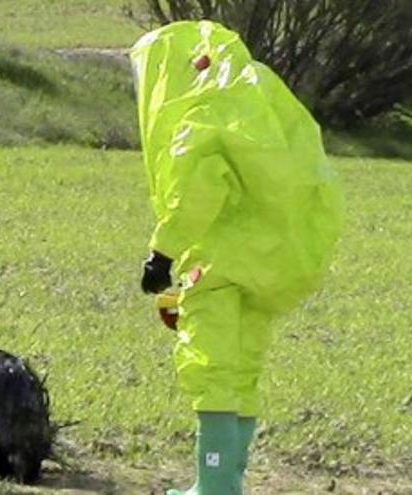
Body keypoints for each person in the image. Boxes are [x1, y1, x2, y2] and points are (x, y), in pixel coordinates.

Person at [129, 21, 344, 494]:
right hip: (268, 260)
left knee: (211, 368)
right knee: (243, 368)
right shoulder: (255, 96)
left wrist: (161, 253)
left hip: (218, 265)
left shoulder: (198, 117)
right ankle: (227, 480)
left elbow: (196, 192)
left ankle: (214, 486)